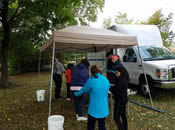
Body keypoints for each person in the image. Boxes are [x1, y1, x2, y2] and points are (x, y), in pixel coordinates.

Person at [74, 65, 110, 130]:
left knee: (90, 126)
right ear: (100, 71)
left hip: (94, 109)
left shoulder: (91, 81)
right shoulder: (105, 79)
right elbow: (106, 88)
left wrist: (76, 93)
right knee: (102, 125)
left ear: (91, 72)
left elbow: (84, 90)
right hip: (103, 109)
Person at [110, 66, 129, 130]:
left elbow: (117, 91)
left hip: (120, 101)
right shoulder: (123, 78)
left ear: (121, 72)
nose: (116, 74)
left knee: (116, 117)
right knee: (123, 115)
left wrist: (110, 88)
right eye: (115, 73)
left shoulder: (122, 80)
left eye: (117, 73)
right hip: (123, 99)